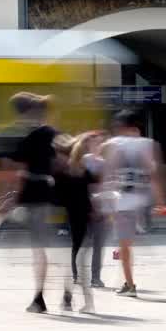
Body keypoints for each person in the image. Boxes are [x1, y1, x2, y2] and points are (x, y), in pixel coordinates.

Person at [0, 92, 58, 313]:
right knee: (42, 248)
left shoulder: (12, 134)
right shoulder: (50, 133)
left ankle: (39, 297)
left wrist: (4, 200)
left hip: (28, 197)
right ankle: (53, 292)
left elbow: (8, 172)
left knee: (37, 248)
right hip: (49, 194)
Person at [103, 110, 163, 298]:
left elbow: (108, 172)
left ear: (121, 127)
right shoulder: (148, 144)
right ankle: (126, 280)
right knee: (127, 246)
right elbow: (155, 173)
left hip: (123, 202)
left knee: (125, 246)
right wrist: (160, 199)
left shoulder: (113, 144)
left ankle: (130, 285)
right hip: (143, 200)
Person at [55, 132, 97, 314]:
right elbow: (92, 192)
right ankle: (78, 301)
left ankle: (71, 300)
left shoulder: (63, 174)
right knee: (78, 263)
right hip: (84, 221)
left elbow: (57, 199)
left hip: (72, 222)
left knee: (74, 263)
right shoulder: (84, 171)